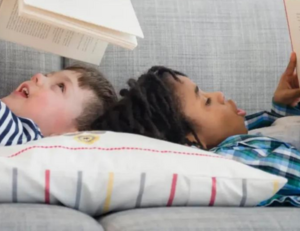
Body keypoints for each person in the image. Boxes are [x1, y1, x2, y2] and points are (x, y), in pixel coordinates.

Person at [92, 52, 300, 207]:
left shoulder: (236, 137)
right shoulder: (235, 159)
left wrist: (284, 108)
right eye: (206, 101)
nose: (219, 94)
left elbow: (272, 131)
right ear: (190, 142)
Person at [0, 0, 118, 146]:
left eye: (60, 87)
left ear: (70, 134)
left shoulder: (20, 135)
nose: (38, 76)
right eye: (49, 75)